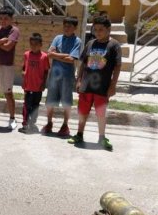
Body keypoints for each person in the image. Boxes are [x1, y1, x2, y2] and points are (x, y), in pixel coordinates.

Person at [68, 16, 121, 151]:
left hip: (102, 87)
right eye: (95, 29)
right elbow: (83, 64)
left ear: (108, 30)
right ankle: (79, 134)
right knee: (82, 111)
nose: (98, 32)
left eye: (101, 30)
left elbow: (117, 67)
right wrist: (79, 80)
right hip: (86, 86)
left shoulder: (114, 45)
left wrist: (113, 85)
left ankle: (101, 138)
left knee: (101, 113)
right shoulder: (90, 43)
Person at [42, 17, 82, 137]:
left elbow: (71, 60)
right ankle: (49, 123)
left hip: (67, 76)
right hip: (54, 75)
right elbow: (49, 54)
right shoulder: (57, 38)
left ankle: (65, 125)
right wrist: (63, 55)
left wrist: (56, 55)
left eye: (70, 26)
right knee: (50, 101)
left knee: (66, 101)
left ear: (75, 28)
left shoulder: (77, 41)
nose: (67, 28)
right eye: (65, 26)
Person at [18, 33, 49, 134]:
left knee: (35, 106)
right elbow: (24, 67)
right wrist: (23, 75)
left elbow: (46, 71)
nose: (33, 46)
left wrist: (44, 83)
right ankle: (25, 123)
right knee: (27, 105)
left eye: (36, 44)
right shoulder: (27, 54)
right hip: (28, 86)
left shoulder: (44, 57)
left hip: (38, 87)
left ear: (41, 45)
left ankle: (32, 123)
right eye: (31, 44)